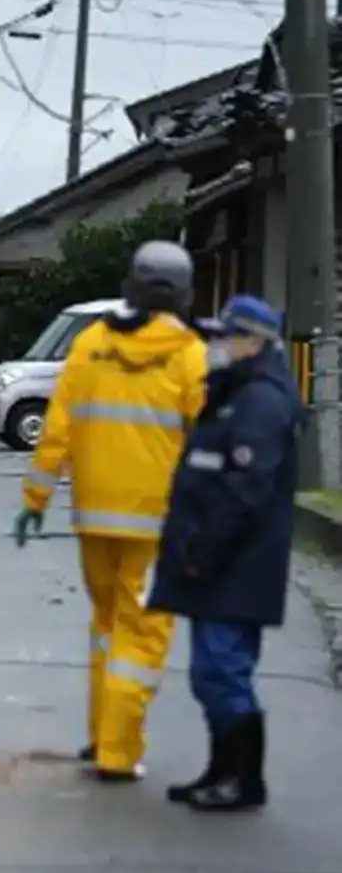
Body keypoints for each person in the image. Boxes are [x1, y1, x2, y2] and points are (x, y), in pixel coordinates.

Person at [13, 240, 208, 782]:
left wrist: (35, 501)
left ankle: (101, 735)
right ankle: (117, 753)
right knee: (139, 636)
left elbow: (56, 431)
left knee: (104, 627)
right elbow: (205, 438)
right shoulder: (189, 353)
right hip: (156, 521)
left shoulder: (91, 344)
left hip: (93, 516)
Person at [148, 295, 305, 812]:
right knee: (211, 673)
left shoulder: (260, 400)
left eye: (226, 337)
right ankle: (222, 772)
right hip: (222, 562)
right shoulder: (237, 391)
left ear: (254, 342)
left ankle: (242, 781)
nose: (216, 346)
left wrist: (202, 552)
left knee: (223, 672)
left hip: (235, 564)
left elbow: (245, 490)